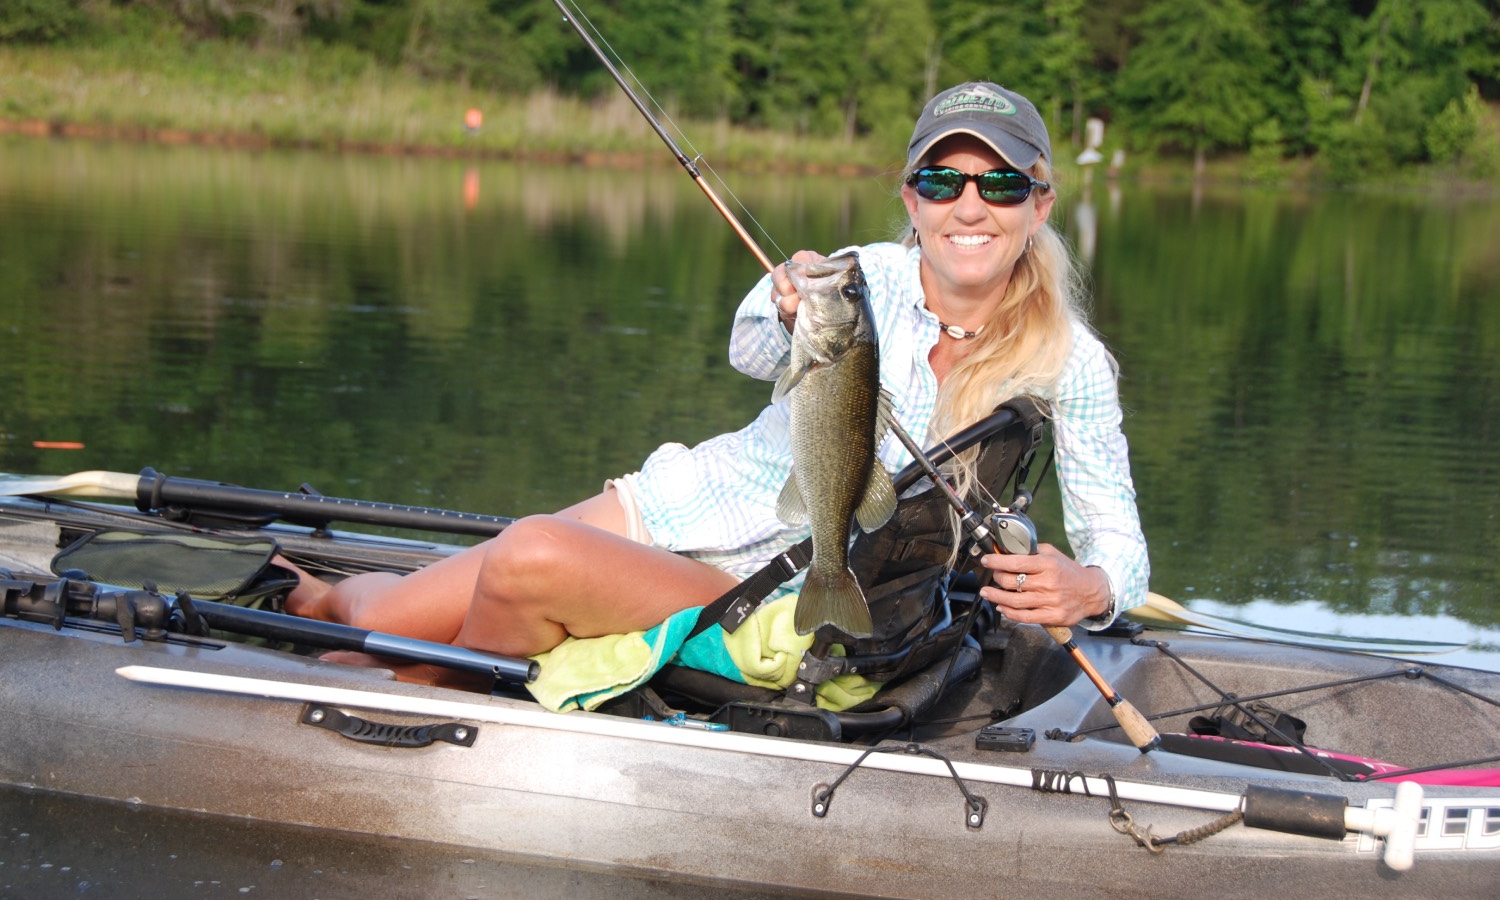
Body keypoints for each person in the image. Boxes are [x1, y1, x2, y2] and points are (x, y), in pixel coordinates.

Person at [287, 80, 1149, 677]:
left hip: (773, 582)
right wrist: (782, 303)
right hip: (684, 501)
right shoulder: (858, 278)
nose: (970, 206)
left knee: (529, 556)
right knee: (378, 620)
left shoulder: (1070, 363)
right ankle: (334, 604)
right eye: (942, 180)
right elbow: (751, 352)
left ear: (1040, 203)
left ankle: (436, 688)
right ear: (912, 197)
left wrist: (1097, 587)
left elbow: (1120, 537)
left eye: (999, 183)